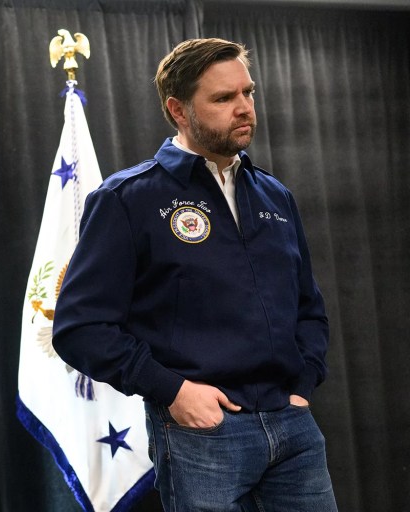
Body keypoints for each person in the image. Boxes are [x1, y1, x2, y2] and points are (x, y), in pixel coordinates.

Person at [51, 38, 338, 511]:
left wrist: (303, 381)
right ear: (178, 110)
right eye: (224, 98)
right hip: (202, 433)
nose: (244, 108)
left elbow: (308, 306)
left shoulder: (275, 196)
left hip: (292, 427)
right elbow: (80, 330)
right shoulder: (128, 198)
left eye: (248, 93)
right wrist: (175, 392)